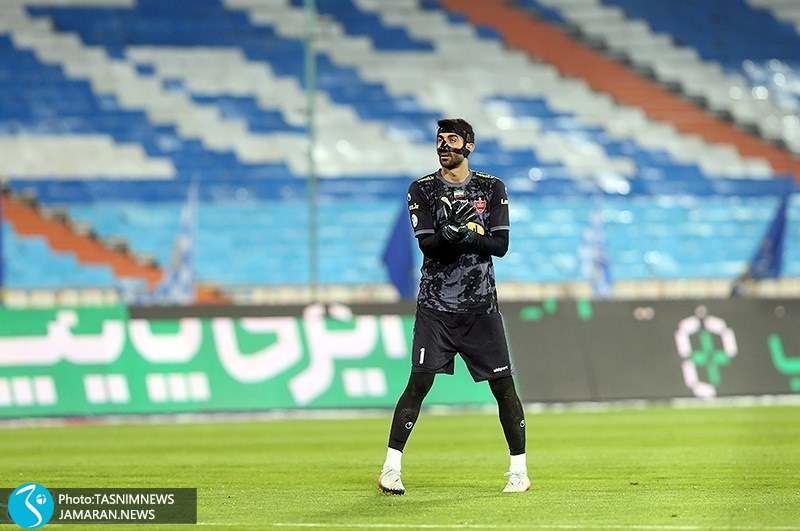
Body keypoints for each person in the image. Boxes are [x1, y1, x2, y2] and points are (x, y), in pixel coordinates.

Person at [377, 118, 529, 495]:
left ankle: (519, 472)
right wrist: (447, 234)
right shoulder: (422, 189)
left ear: (469, 146)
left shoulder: (492, 188)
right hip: (436, 307)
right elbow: (427, 246)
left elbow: (500, 246)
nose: (444, 146)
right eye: (440, 140)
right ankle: (390, 469)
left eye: (452, 140)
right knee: (418, 383)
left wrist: (469, 235)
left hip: (481, 307)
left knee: (504, 388)